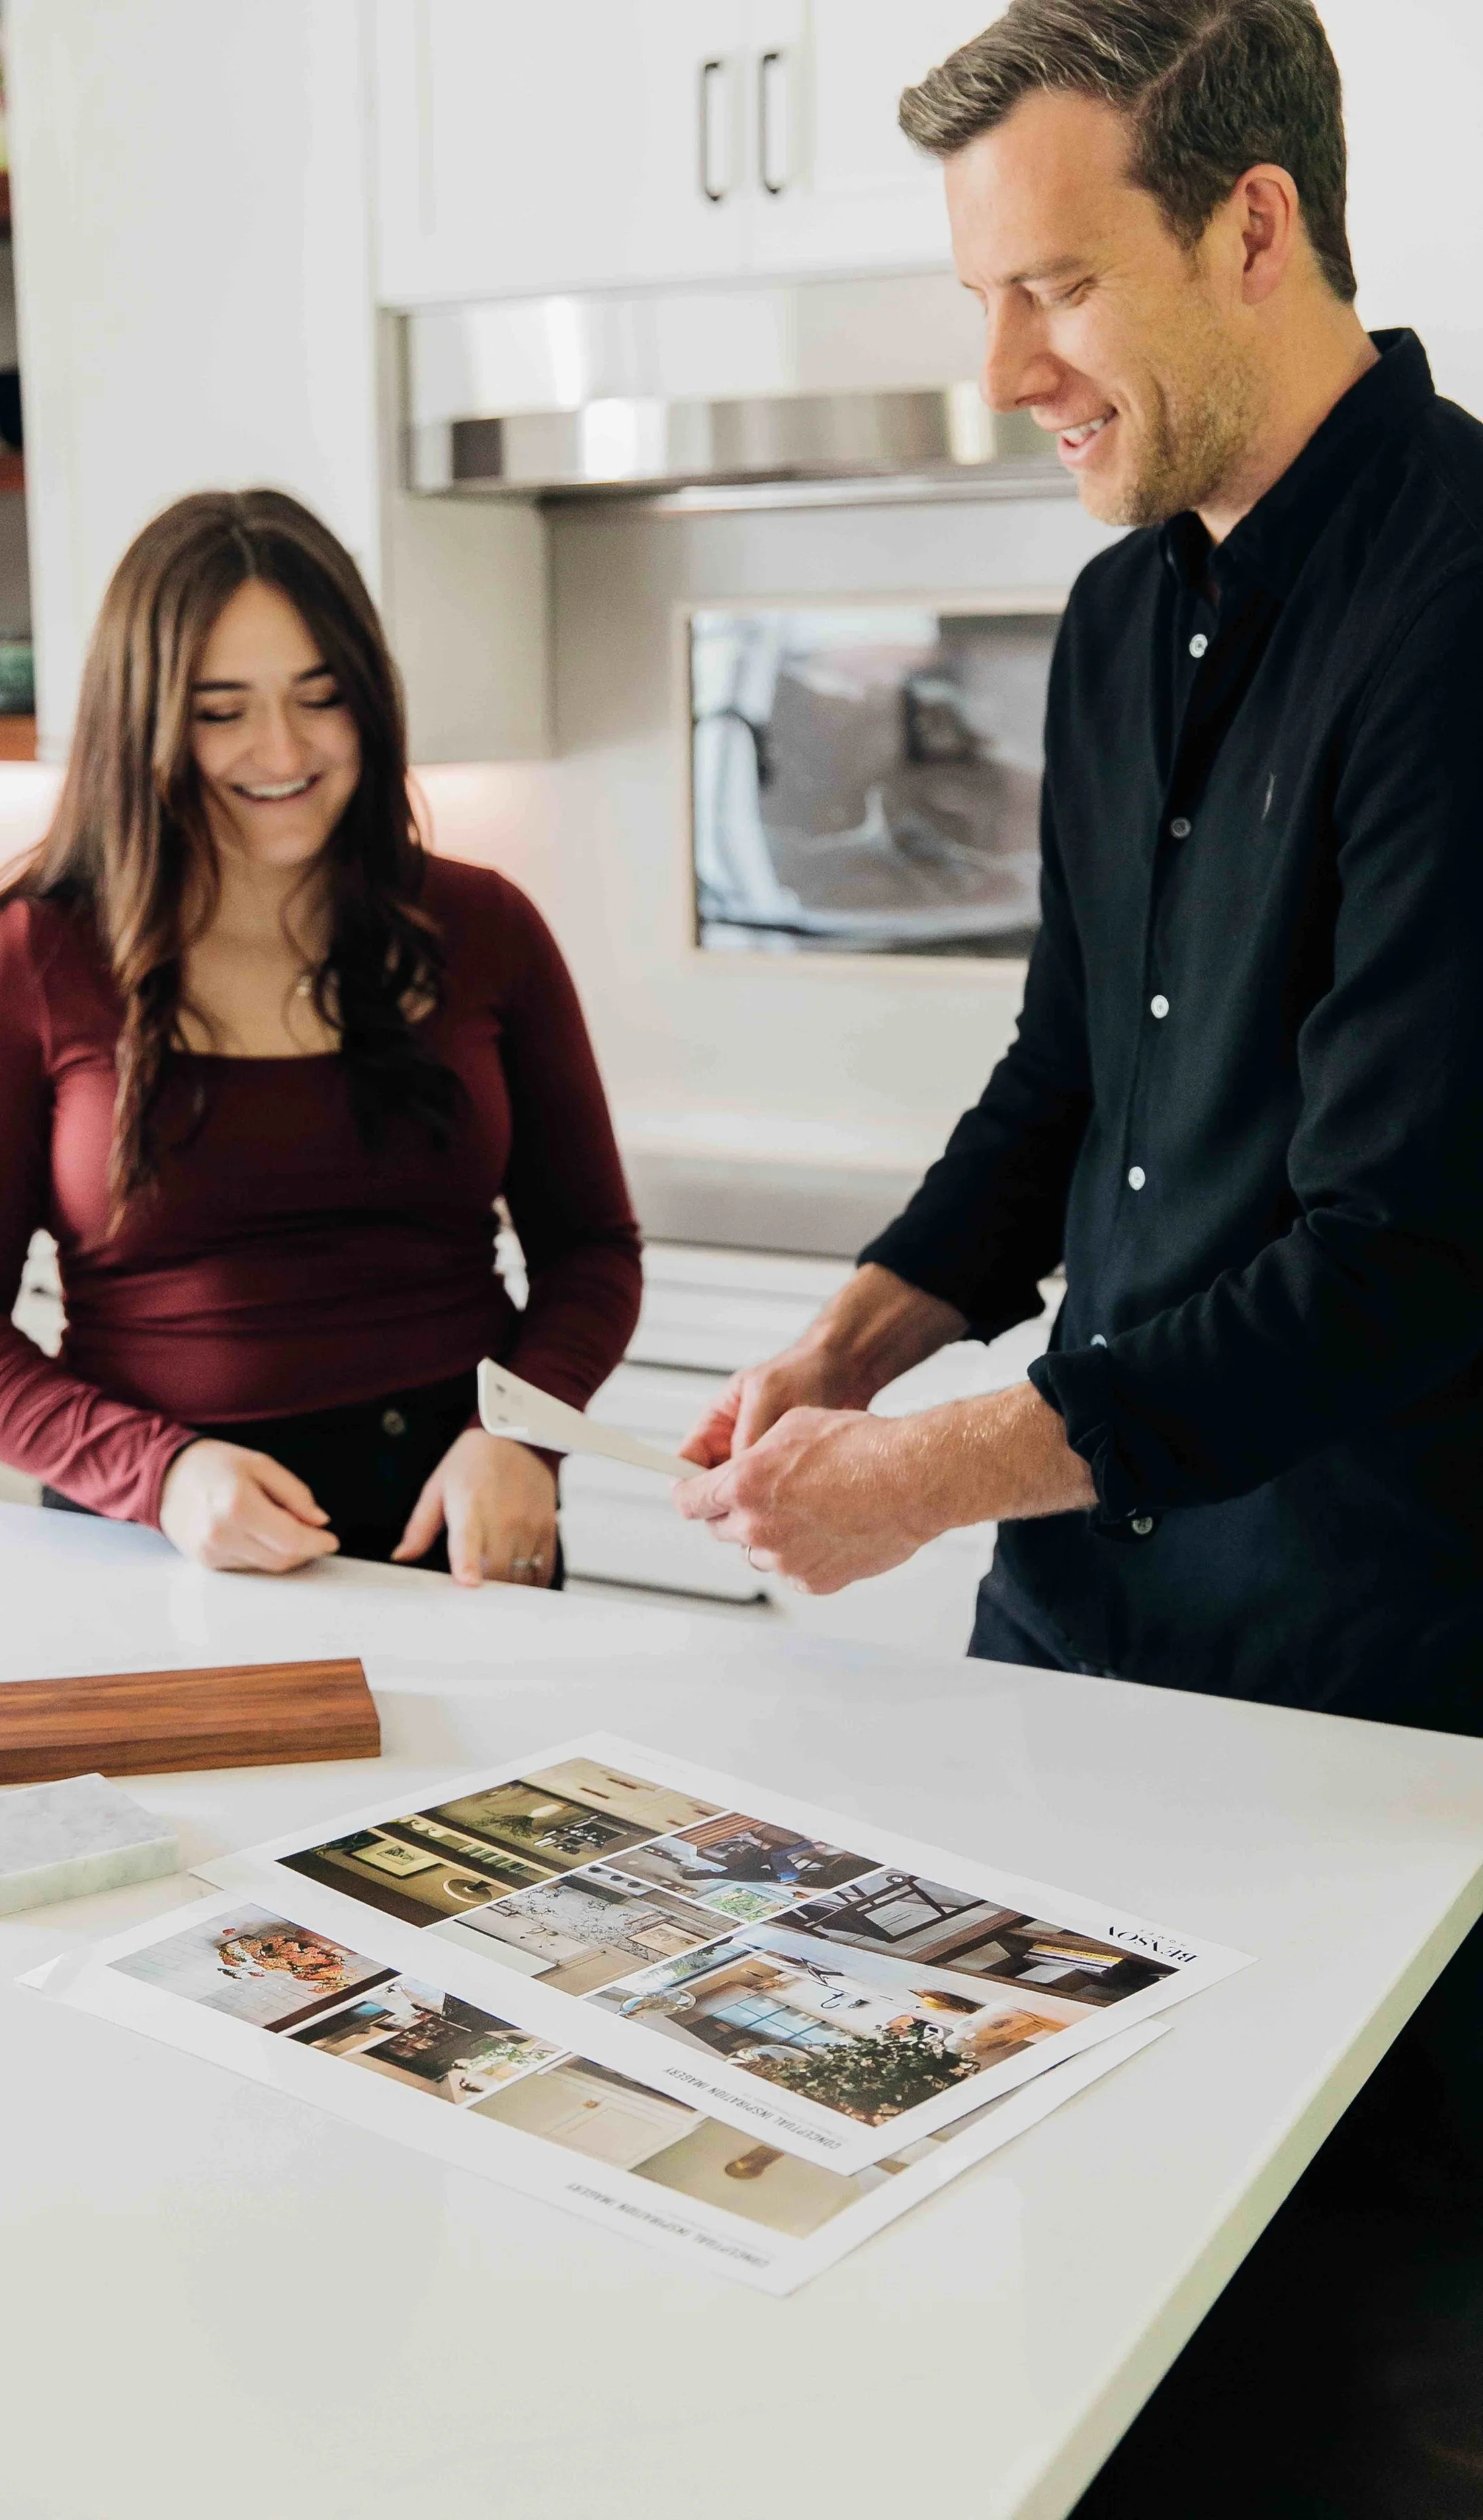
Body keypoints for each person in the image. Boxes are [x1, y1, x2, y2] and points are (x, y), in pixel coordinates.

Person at [675, 6, 1483, 2506]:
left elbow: (1401, 1256)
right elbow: (1069, 1075)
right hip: (1075, 1676)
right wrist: (860, 1333)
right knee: (1065, 2379)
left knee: (1329, 2407)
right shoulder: (1129, 608)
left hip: (1366, 1703)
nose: (1005, 370)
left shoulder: (1466, 601)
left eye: (1055, 287)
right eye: (983, 299)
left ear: (1253, 225)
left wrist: (932, 1478)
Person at [0, 489, 640, 1583]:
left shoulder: (485, 927)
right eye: (220, 710)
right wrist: (161, 1474)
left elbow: (593, 1249)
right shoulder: (34, 963)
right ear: (142, 722)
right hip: (158, 1543)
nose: (282, 748)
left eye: (319, 697)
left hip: (460, 1532)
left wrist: (525, 1435)